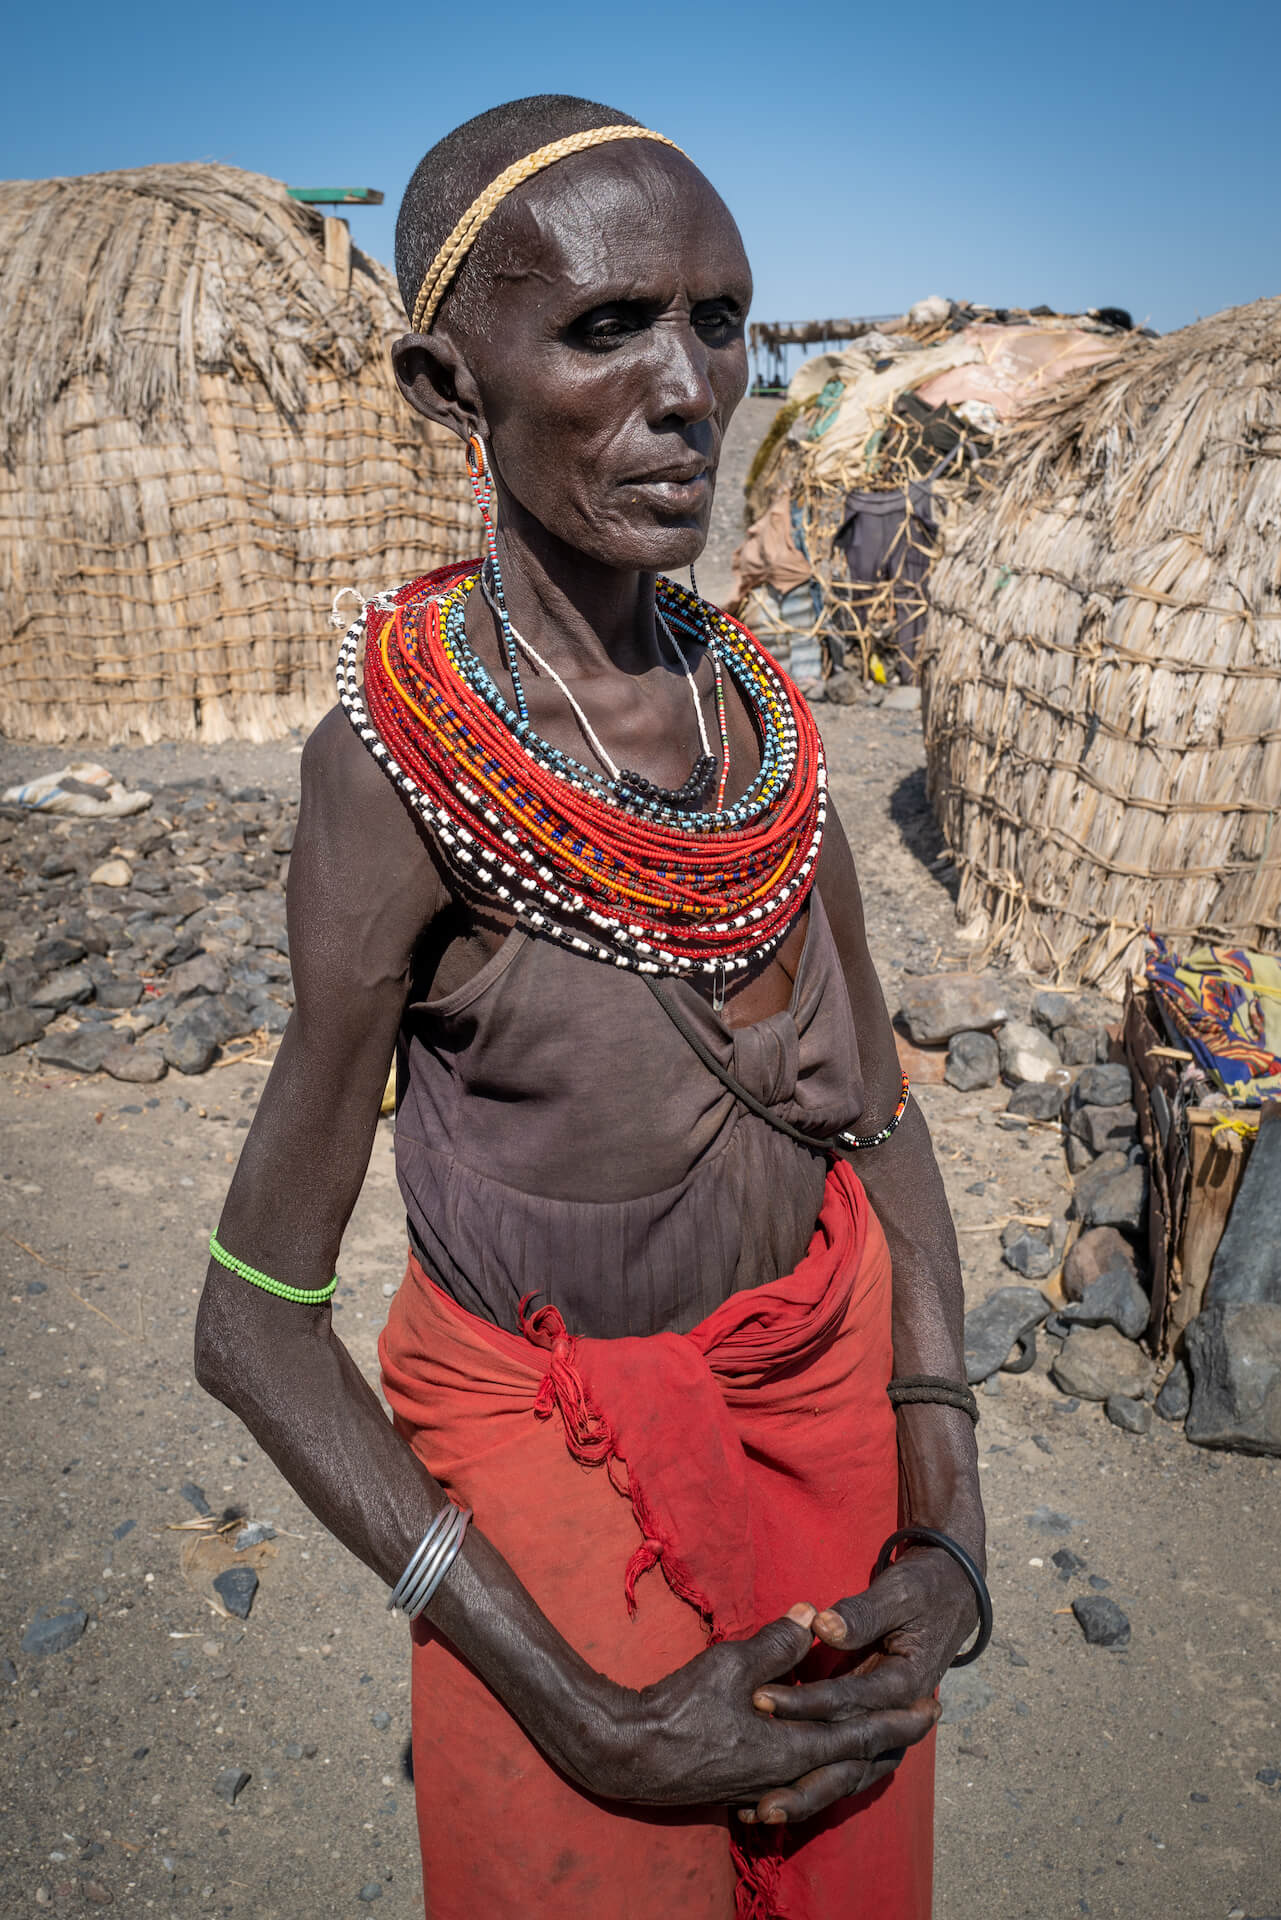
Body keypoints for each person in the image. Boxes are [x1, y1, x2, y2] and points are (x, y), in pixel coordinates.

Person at [195, 94, 987, 1920]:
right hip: (549, 1459)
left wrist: (941, 1516)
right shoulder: (393, 775)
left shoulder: (762, 729)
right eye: (606, 326)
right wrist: (581, 1714)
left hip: (827, 1416)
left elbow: (881, 1127)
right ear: (445, 382)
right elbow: (251, 1325)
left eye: (717, 317)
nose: (692, 384)